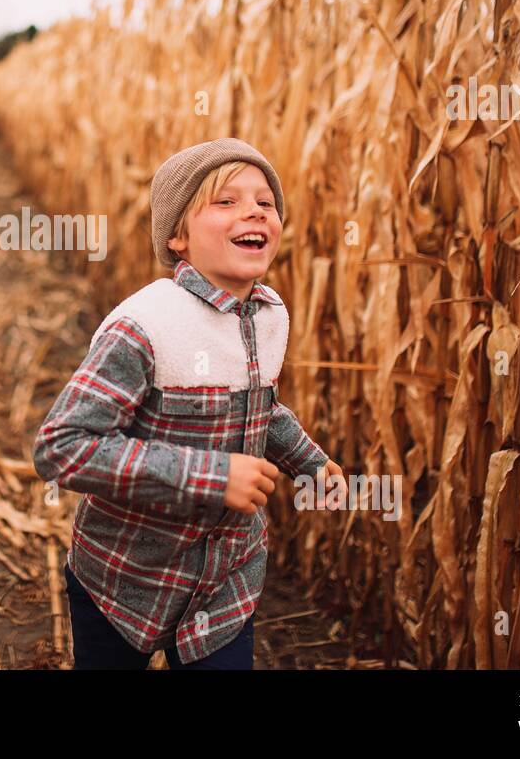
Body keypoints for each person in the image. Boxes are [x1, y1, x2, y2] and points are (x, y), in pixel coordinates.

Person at [32, 137, 344, 669]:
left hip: (224, 581)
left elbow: (262, 408)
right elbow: (61, 448)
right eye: (225, 201)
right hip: (125, 577)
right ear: (177, 235)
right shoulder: (145, 326)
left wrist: (311, 464)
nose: (253, 211)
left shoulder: (269, 317)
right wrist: (211, 476)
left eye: (265, 202)